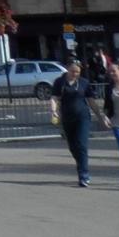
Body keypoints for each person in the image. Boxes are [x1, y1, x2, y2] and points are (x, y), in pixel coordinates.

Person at [48, 58, 100, 187]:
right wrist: (53, 110)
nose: (75, 74)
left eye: (77, 72)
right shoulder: (59, 82)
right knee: (73, 147)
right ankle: (81, 164)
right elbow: (54, 98)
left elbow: (91, 101)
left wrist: (100, 115)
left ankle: (84, 175)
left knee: (81, 145)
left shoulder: (84, 83)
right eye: (72, 71)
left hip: (82, 117)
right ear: (67, 69)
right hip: (67, 118)